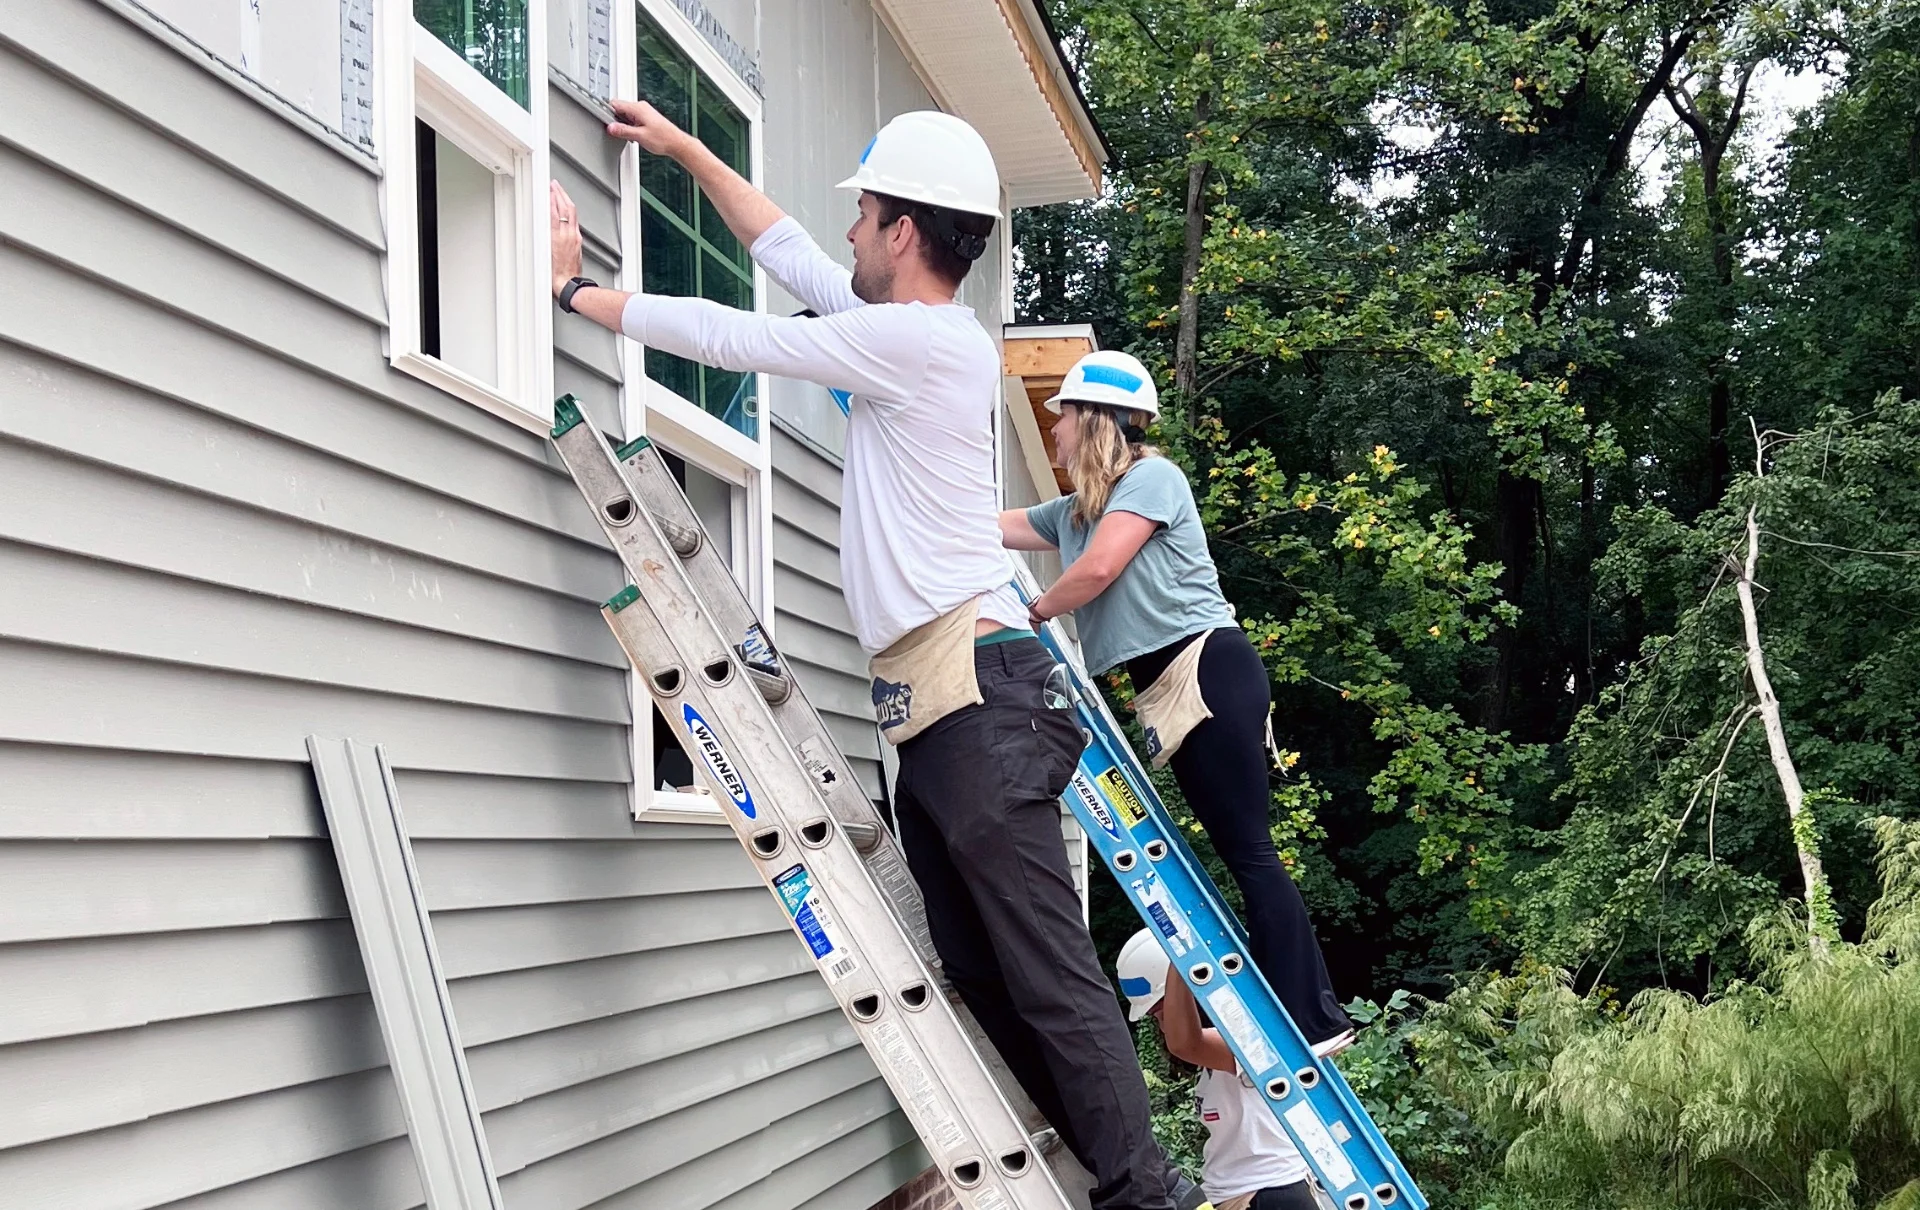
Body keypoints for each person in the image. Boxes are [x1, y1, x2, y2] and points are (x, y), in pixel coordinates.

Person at [550, 104, 1174, 1210]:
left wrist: (572, 294)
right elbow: (788, 254)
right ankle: (1093, 1170)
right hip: (931, 711)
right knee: (982, 974)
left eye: (865, 215)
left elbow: (741, 336)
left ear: (901, 231)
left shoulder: (923, 342)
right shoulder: (905, 338)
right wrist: (690, 152)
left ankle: (1148, 1196)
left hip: (979, 700)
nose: (848, 235)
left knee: (1047, 973)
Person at [998, 351, 1353, 1051]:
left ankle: (1314, 1020)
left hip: (1206, 669)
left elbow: (1100, 569)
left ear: (1093, 421)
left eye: (1062, 418)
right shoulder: (1075, 512)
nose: (1056, 434)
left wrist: (1035, 610)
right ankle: (1304, 1014)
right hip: (1168, 687)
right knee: (1238, 848)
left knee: (1250, 850)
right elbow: (997, 525)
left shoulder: (1152, 480)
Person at [1117, 930, 1321, 1210]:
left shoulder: (1244, 1043)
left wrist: (1179, 949)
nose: (1163, 1026)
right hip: (1245, 1196)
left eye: (1163, 1011)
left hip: (1269, 1195)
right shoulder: (1212, 1066)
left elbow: (1185, 1043)